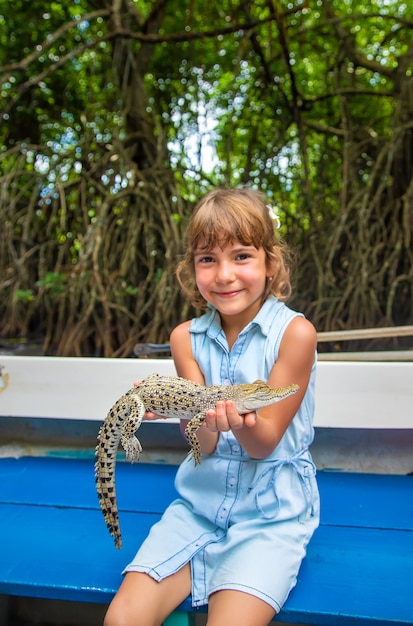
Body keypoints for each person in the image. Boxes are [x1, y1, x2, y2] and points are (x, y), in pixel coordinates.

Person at [104, 187, 320, 626]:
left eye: (242, 256)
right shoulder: (185, 337)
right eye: (208, 259)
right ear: (192, 269)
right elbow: (201, 439)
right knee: (121, 620)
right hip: (197, 507)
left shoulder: (296, 334)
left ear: (270, 263)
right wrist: (184, 412)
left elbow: (262, 445)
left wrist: (236, 421)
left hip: (269, 515)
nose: (224, 275)